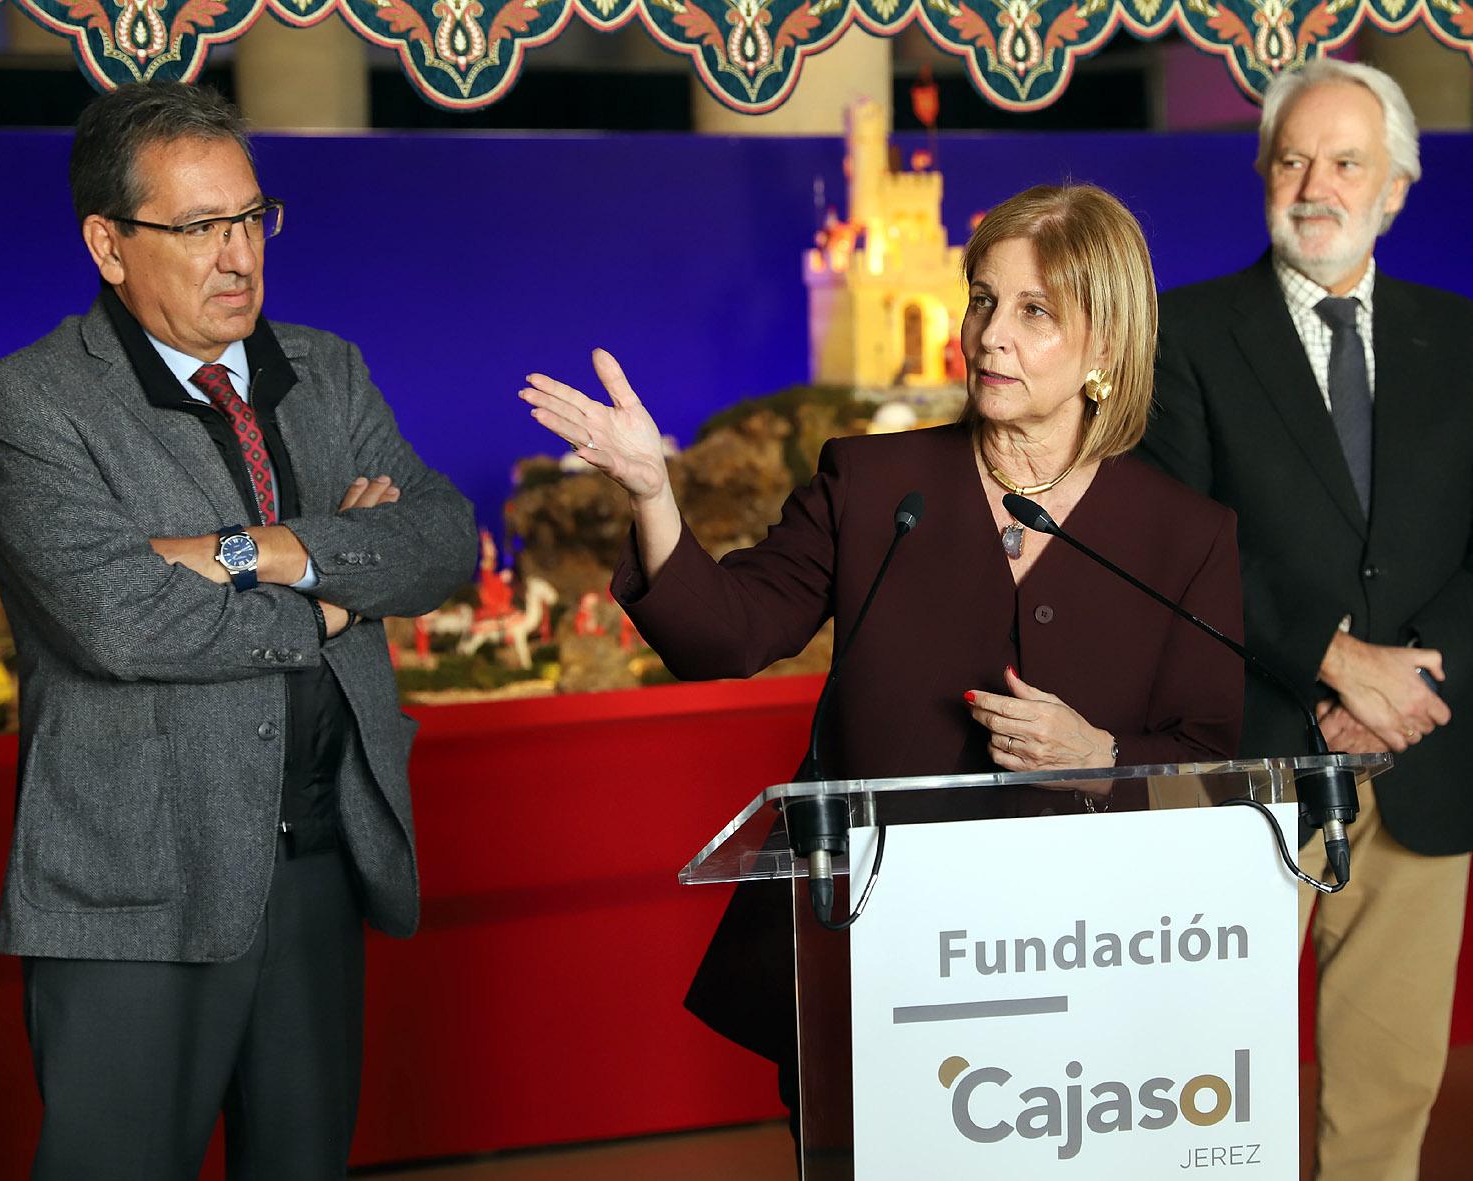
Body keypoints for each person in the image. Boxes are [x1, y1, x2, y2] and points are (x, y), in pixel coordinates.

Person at [520, 183, 1245, 1124]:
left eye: (1035, 312)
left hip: (1090, 985)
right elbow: (724, 632)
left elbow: (1218, 762)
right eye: (984, 298)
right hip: (872, 964)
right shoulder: (874, 485)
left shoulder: (1183, 535)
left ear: (1106, 345)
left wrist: (1100, 759)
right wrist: (655, 493)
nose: (990, 336)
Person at [0, 82, 477, 1179]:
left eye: (251, 217)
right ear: (109, 244)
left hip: (316, 864)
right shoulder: (33, 402)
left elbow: (440, 542)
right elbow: (120, 614)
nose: (237, 254)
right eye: (198, 227)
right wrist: (338, 584)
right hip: (135, 886)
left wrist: (258, 551)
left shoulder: (325, 369)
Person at [1136, 59, 1473, 1181]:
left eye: (1346, 161)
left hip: (1420, 764)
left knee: (1386, 1084)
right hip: (1248, 759)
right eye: (1291, 158)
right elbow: (1176, 545)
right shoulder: (1183, 334)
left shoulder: (1465, 339)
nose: (1314, 183)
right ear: (1264, 173)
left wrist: (1409, 688)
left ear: (1397, 186)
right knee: (1203, 1083)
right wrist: (1336, 663)